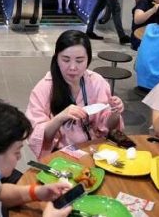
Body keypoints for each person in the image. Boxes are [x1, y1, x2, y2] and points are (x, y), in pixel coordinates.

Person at [26, 30, 125, 158]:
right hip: (62, 154)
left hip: (95, 150)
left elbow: (109, 128)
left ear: (88, 59)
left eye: (79, 61)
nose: (73, 67)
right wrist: (60, 117)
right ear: (56, 58)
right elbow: (37, 136)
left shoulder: (96, 82)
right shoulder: (44, 88)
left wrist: (115, 113)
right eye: (66, 60)